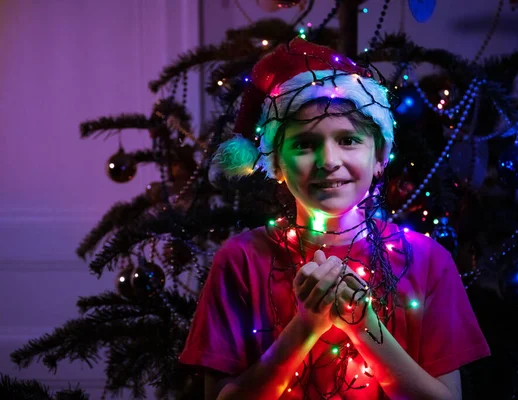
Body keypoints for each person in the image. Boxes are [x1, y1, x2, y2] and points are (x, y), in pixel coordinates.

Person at [179, 38, 490, 400]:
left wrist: (362, 323)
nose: (328, 161)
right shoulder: (242, 259)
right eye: (305, 144)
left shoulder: (427, 261)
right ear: (277, 163)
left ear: (379, 158)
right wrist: (307, 325)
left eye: (348, 140)